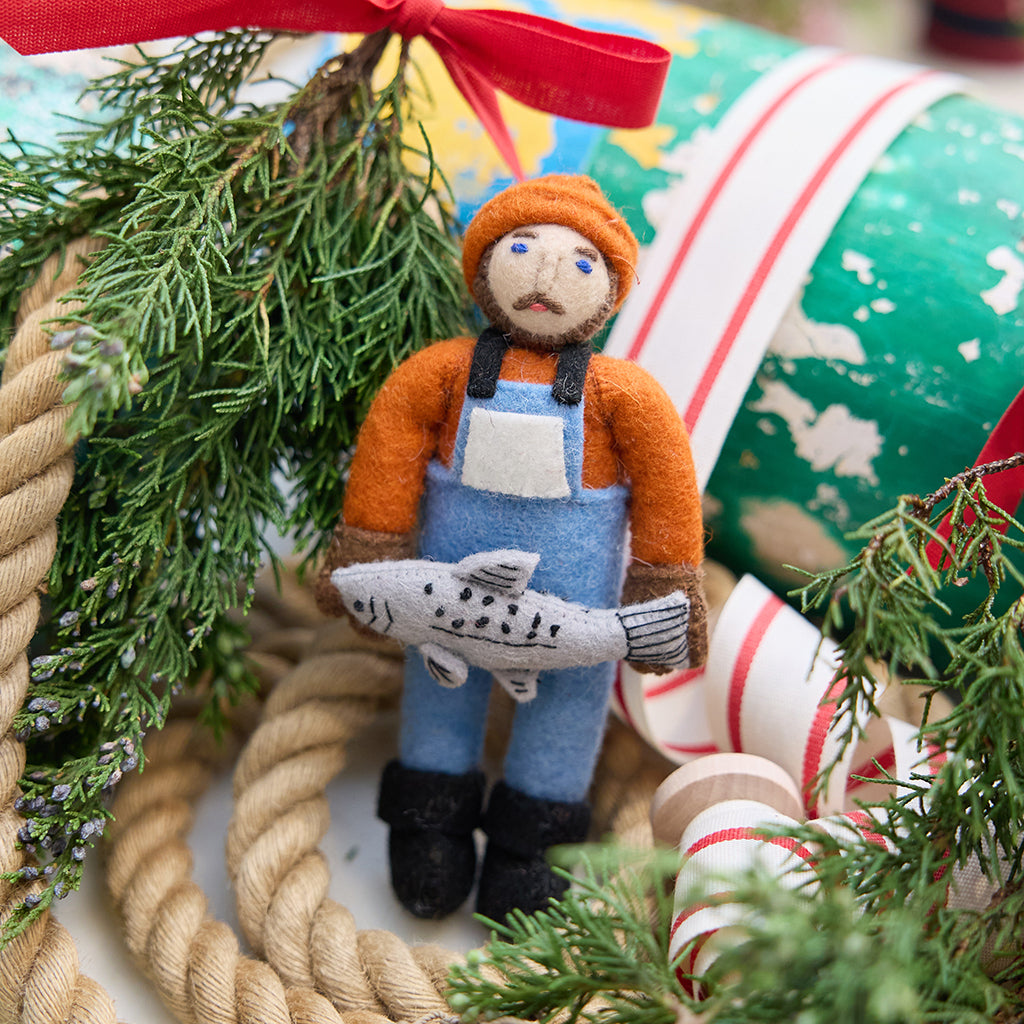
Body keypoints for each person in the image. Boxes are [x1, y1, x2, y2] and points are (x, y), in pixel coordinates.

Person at [316, 175, 706, 920]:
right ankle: (429, 818)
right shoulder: (440, 373)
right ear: (486, 264)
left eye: (580, 262)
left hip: (575, 603)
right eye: (522, 248)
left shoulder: (626, 395)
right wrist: (372, 548)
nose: (547, 271)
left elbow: (667, 488)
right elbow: (389, 451)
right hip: (445, 597)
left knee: (567, 704)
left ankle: (535, 843)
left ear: (611, 289)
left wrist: (663, 590)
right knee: (438, 691)